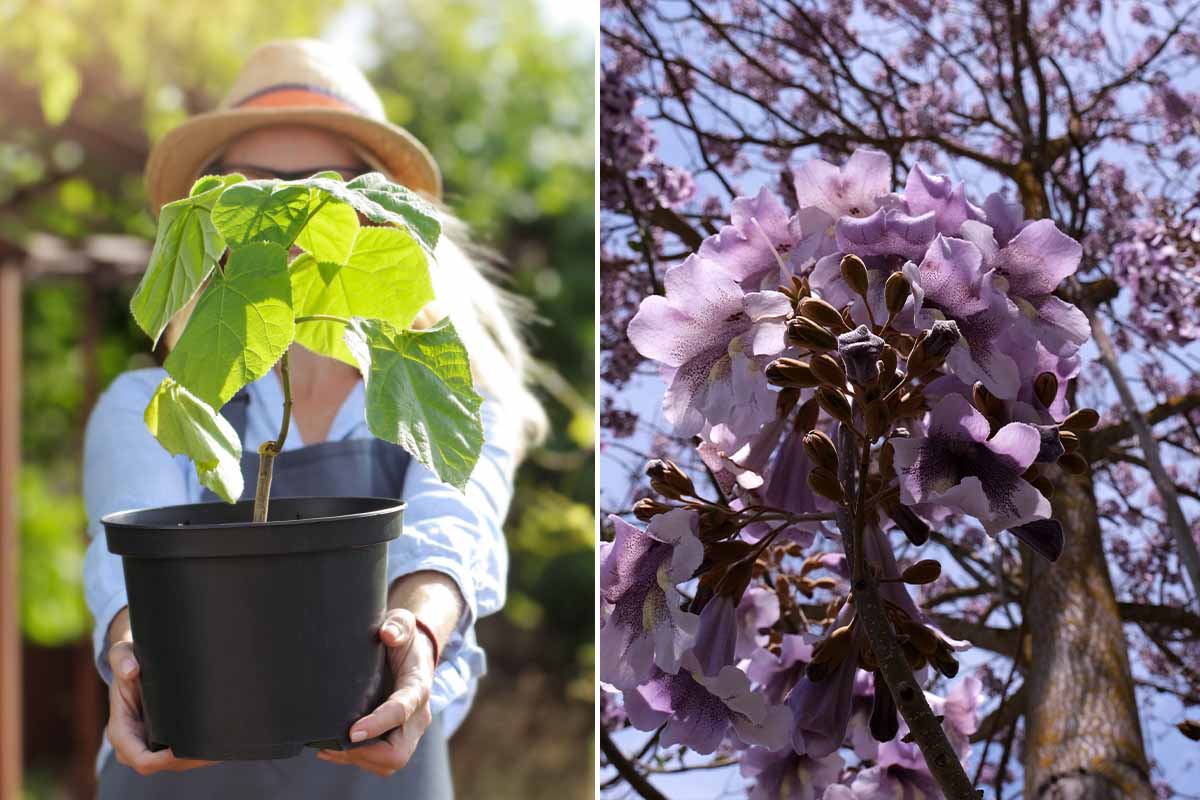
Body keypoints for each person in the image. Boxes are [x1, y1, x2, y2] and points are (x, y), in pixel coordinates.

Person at [82, 38, 545, 799]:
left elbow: (449, 528)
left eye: (326, 184)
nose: (288, 206)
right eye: (253, 186)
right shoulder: (153, 404)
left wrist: (417, 636)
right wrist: (135, 656)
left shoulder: (440, 391)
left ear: (380, 209)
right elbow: (129, 557)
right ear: (213, 210)